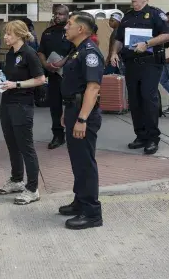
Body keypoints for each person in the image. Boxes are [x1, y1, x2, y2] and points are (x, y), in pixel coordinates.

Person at [111, 0, 169, 155]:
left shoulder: (155, 14)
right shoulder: (127, 16)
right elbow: (119, 38)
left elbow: (168, 35)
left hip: (150, 63)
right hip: (131, 64)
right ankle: (141, 135)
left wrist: (147, 44)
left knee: (148, 97)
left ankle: (153, 138)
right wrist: (113, 52)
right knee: (135, 100)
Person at [57, 14, 104, 230]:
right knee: (77, 161)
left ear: (82, 29)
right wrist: (68, 112)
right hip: (73, 109)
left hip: (84, 114)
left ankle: (92, 213)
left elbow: (93, 88)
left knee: (85, 162)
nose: (66, 27)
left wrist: (82, 119)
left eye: (69, 24)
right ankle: (80, 201)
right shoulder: (76, 50)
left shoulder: (90, 52)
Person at [0, 20, 45, 205]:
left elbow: (40, 79)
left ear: (19, 34)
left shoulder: (29, 54)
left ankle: (32, 189)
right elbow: (9, 75)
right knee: (12, 144)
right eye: (5, 33)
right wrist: (3, 80)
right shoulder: (10, 54)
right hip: (7, 103)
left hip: (22, 105)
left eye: (8, 34)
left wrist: (16, 84)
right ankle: (17, 180)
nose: (5, 37)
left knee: (26, 147)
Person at [37, 4, 71, 149]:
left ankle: (73, 133)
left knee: (72, 105)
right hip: (54, 75)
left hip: (69, 75)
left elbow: (76, 49)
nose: (58, 16)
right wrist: (45, 64)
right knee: (55, 106)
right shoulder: (48, 32)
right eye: (56, 14)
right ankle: (58, 135)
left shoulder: (72, 30)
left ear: (67, 15)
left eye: (61, 14)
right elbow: (41, 51)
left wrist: (62, 62)